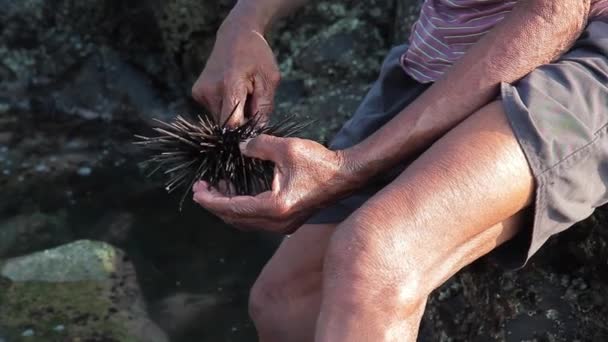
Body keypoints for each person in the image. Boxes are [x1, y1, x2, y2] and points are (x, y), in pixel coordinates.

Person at [191, 0, 608, 340]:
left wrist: (349, 166)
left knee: (371, 258)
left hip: (584, 40)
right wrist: (245, 21)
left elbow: (555, 12)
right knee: (284, 300)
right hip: (450, 48)